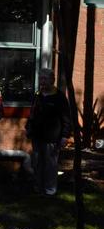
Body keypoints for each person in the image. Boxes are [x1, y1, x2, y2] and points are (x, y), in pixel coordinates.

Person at [25, 68, 71, 196]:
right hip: (37, 135)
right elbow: (32, 114)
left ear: (52, 80)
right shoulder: (37, 95)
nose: (42, 82)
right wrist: (28, 128)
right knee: (37, 162)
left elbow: (66, 118)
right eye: (41, 79)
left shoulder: (59, 97)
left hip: (52, 137)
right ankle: (38, 187)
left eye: (45, 79)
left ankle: (50, 190)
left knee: (50, 164)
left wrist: (65, 136)